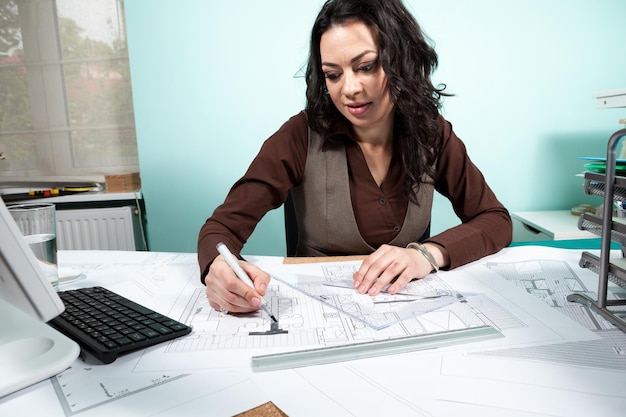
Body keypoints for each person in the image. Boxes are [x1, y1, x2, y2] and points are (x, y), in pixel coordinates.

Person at [197, 0, 512, 315]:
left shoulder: (433, 134)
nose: (348, 88)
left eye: (366, 66)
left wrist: (425, 255)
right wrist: (219, 268)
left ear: (400, 60)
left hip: (410, 314)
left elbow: (495, 220)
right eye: (333, 75)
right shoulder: (299, 135)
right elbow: (221, 228)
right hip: (318, 317)